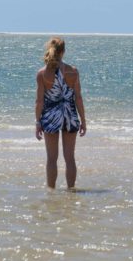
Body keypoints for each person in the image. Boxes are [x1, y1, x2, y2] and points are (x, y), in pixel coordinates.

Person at [35, 37, 87, 189]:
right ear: (63, 52)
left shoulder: (42, 74)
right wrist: (83, 120)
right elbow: (78, 98)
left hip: (51, 116)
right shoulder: (73, 71)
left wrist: (37, 122)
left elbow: (39, 101)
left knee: (52, 159)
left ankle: (51, 192)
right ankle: (71, 191)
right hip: (70, 115)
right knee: (69, 158)